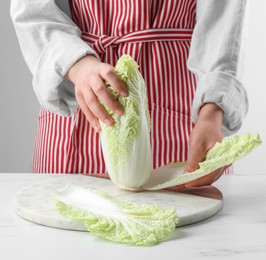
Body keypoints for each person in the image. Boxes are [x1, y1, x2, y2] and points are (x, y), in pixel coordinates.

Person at [10, 0, 248, 188]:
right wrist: (78, 66)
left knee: (187, 241)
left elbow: (225, 21)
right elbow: (33, 10)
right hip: (77, 102)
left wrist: (212, 112)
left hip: (186, 119)